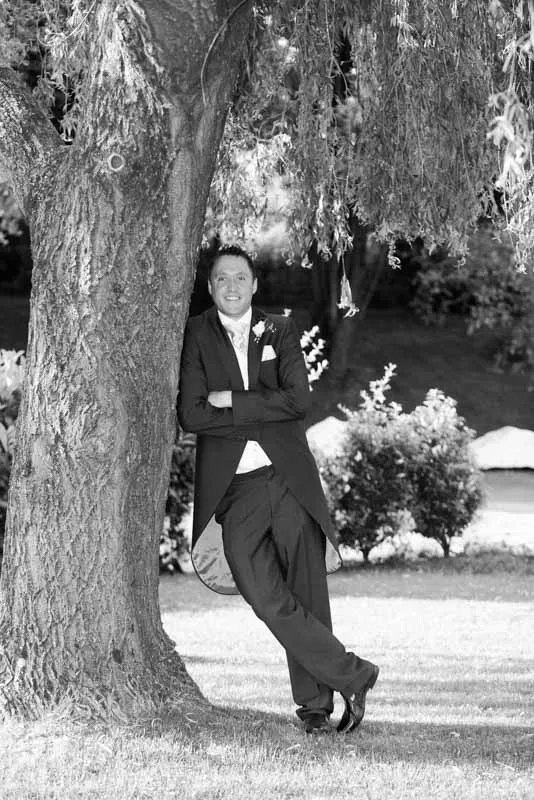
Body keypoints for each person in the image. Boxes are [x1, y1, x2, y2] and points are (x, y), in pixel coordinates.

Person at [178, 244, 379, 735]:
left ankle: (314, 706)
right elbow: (193, 414)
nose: (231, 286)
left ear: (254, 285)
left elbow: (300, 401)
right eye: (221, 278)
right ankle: (354, 674)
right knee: (266, 597)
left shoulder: (281, 329)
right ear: (210, 286)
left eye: (239, 278)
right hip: (236, 491)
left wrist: (233, 403)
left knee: (307, 592)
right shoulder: (196, 333)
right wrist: (261, 408)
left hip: (289, 480)